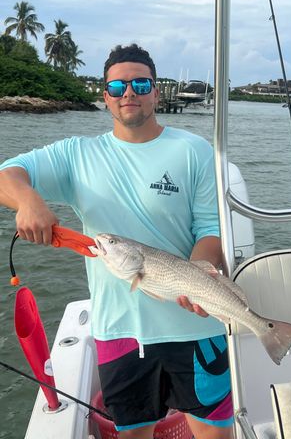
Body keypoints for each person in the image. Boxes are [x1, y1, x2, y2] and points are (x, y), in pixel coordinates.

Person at [0, 44, 234, 439]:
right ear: (105, 95)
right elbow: (9, 172)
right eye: (118, 85)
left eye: (141, 83)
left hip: (194, 327)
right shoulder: (77, 155)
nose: (130, 93)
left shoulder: (193, 151)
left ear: (157, 92)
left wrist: (199, 280)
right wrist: (29, 202)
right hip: (119, 331)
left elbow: (210, 231)